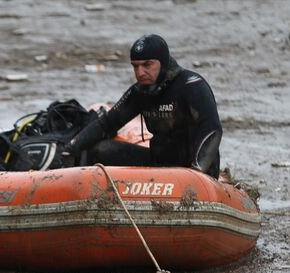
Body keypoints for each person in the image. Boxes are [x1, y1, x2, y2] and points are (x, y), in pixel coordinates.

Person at [65, 34, 222, 178]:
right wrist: (70, 148)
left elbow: (212, 129)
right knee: (100, 150)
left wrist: (197, 172)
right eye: (135, 66)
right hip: (160, 164)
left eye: (147, 65)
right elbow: (107, 123)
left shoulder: (191, 85)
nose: (140, 72)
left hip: (194, 170)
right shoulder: (139, 91)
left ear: (163, 63)